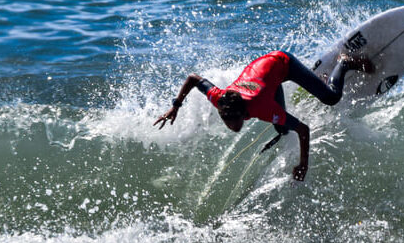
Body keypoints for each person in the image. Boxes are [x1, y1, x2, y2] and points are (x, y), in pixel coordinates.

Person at [154, 50, 373, 181]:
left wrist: (303, 164)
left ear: (244, 113)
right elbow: (193, 78)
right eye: (229, 124)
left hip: (282, 63)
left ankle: (344, 63)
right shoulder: (220, 98)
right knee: (281, 128)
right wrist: (175, 106)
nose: (233, 128)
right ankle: (318, 80)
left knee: (331, 98)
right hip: (264, 75)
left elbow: (303, 130)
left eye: (236, 123)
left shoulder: (262, 108)